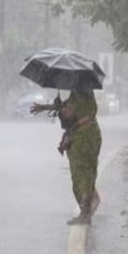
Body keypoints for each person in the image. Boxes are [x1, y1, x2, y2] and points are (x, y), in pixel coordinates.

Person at [31, 83, 103, 225]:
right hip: (79, 136)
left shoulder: (84, 94)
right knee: (81, 174)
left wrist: (64, 110)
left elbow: (73, 112)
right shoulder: (77, 93)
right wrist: (47, 107)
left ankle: (86, 212)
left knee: (83, 174)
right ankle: (89, 203)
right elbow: (67, 107)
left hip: (86, 138)